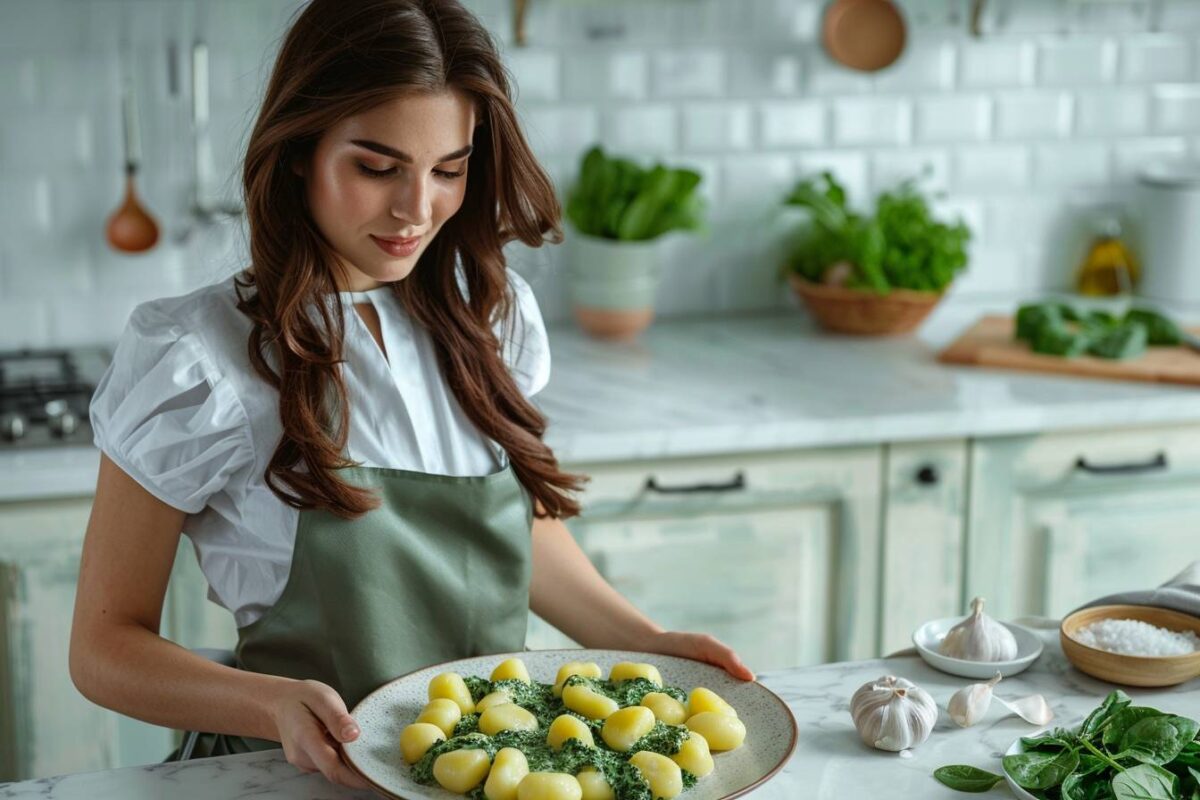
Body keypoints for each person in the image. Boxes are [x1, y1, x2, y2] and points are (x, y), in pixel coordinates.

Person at [69, 0, 754, 790]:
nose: (416, 209)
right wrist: (273, 706)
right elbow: (102, 647)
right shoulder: (197, 361)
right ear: (299, 152)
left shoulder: (491, 319)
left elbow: (512, 539)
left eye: (448, 170)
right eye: (376, 166)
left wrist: (648, 643)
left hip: (492, 776)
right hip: (296, 781)